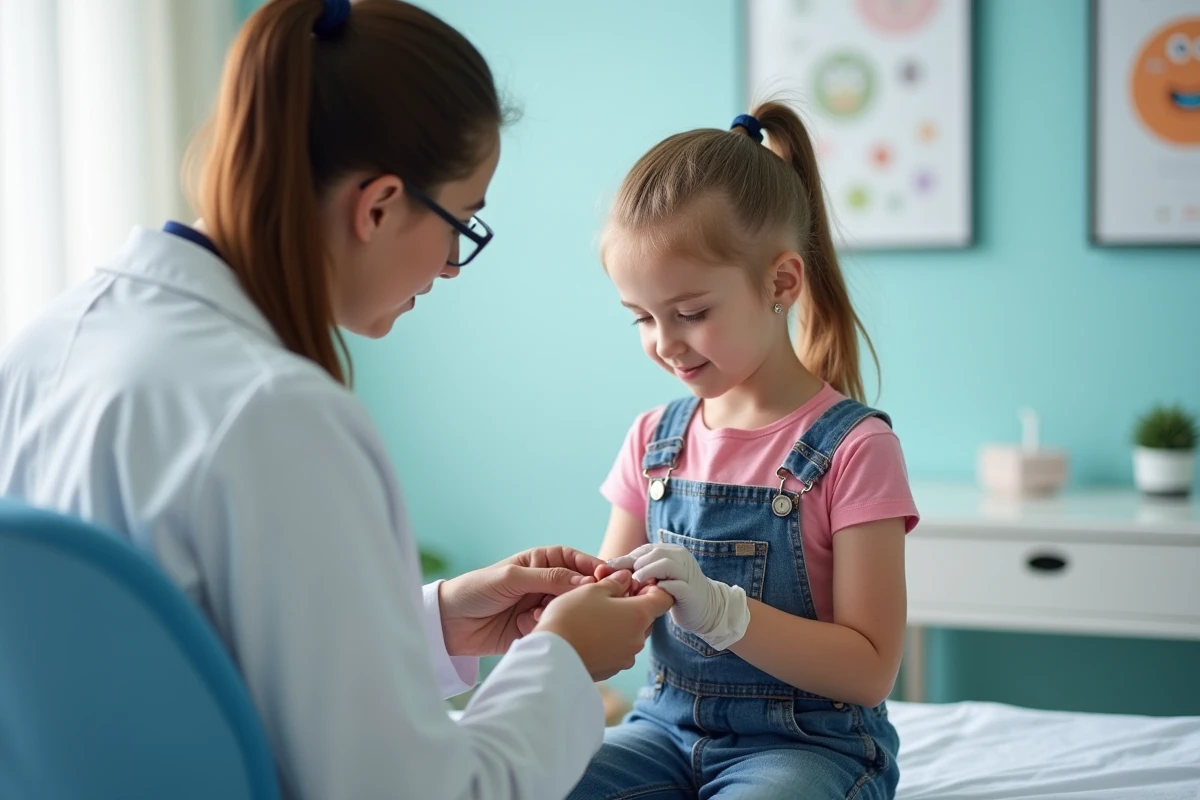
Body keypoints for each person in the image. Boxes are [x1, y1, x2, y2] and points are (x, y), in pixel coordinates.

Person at [0, 1, 674, 798]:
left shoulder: (49, 343)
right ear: (380, 204)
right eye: (464, 223)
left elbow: (179, 673)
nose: (451, 266)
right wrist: (562, 662)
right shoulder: (276, 415)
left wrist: (436, 621)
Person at [568, 105, 921, 799]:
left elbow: (871, 669)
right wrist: (575, 604)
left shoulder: (855, 449)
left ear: (780, 283)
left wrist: (723, 611)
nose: (665, 343)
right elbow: (615, 601)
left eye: (691, 313)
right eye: (642, 317)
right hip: (662, 732)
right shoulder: (652, 440)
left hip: (807, 748)